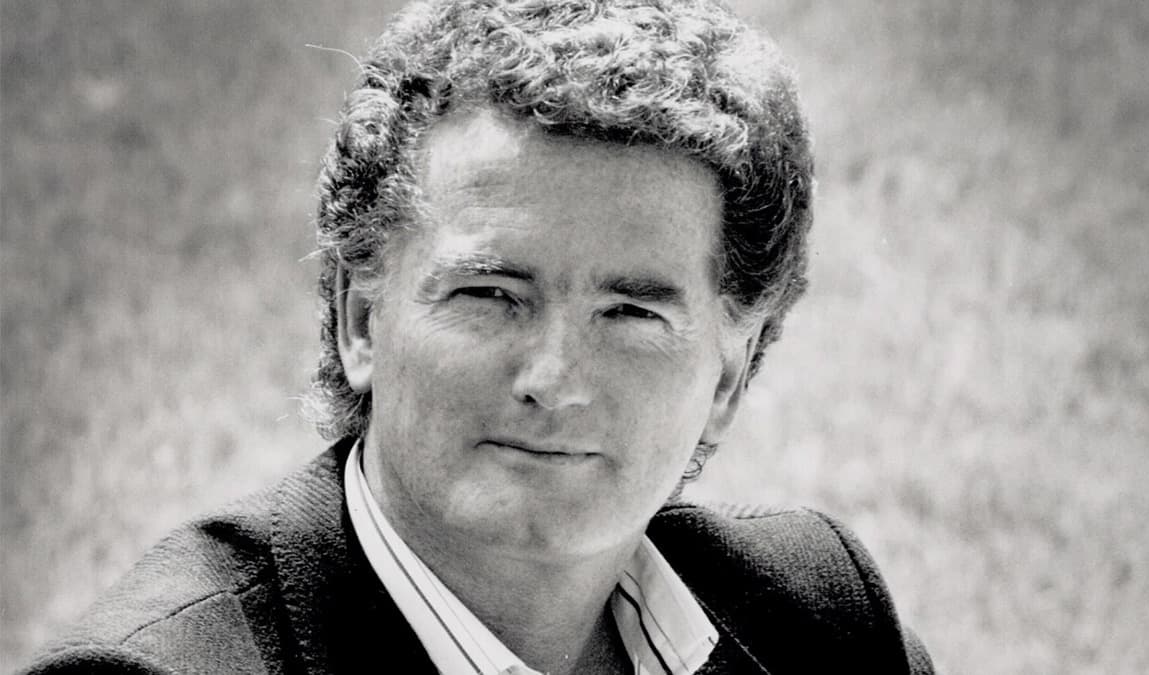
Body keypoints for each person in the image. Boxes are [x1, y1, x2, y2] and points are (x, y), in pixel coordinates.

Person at [24, 0, 934, 672]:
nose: (554, 378)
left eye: (631, 313)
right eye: (492, 294)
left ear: (730, 375)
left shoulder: (821, 621)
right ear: (360, 319)